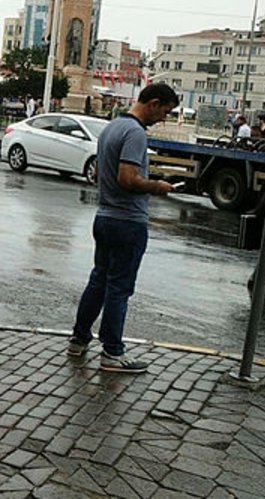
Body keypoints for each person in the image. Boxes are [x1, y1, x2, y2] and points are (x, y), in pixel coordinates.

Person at [67, 83, 178, 373]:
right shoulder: (135, 133)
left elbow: (103, 174)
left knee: (99, 280)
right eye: (165, 112)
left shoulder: (111, 128)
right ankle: (113, 353)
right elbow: (128, 178)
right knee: (119, 288)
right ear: (153, 103)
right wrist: (158, 186)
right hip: (127, 221)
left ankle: (78, 340)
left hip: (104, 216)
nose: (163, 119)